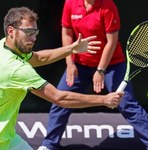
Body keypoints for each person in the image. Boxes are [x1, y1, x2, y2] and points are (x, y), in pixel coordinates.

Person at [0, 6, 124, 150]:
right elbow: (60, 98)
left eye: (35, 32)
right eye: (28, 32)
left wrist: (71, 49)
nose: (33, 38)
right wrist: (104, 100)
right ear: (11, 31)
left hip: (7, 138)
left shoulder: (5, 45)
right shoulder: (17, 70)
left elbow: (39, 58)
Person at [38, 0, 148, 150]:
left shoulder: (108, 6)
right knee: (59, 101)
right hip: (79, 65)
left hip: (111, 65)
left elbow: (112, 41)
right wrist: (70, 63)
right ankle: (49, 144)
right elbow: (66, 32)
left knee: (126, 104)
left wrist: (101, 70)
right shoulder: (70, 3)